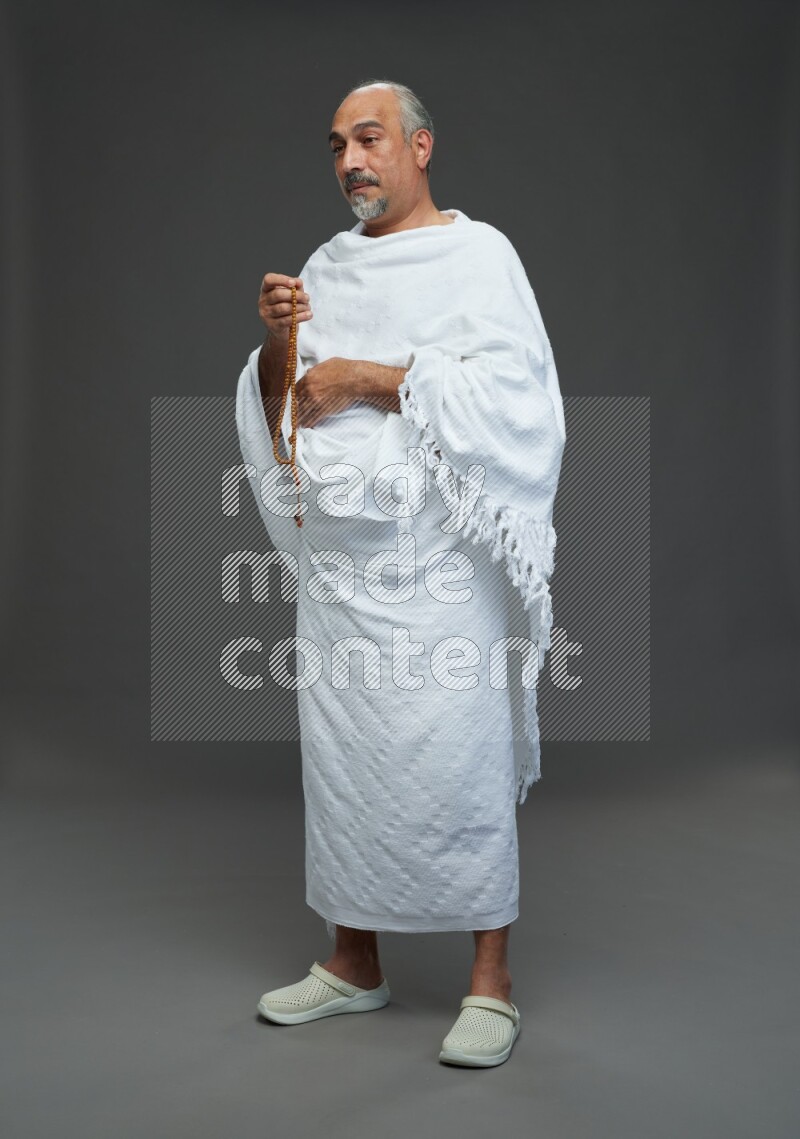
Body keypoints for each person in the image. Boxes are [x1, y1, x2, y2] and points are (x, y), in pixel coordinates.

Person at [235, 78, 565, 1067]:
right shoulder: (324, 267)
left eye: (369, 139)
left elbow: (517, 399)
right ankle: (353, 959)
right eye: (337, 145)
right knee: (346, 759)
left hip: (442, 562)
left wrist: (373, 379)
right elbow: (286, 411)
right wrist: (278, 342)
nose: (350, 161)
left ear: (421, 146)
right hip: (345, 567)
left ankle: (490, 980)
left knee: (458, 753)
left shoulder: (480, 256)